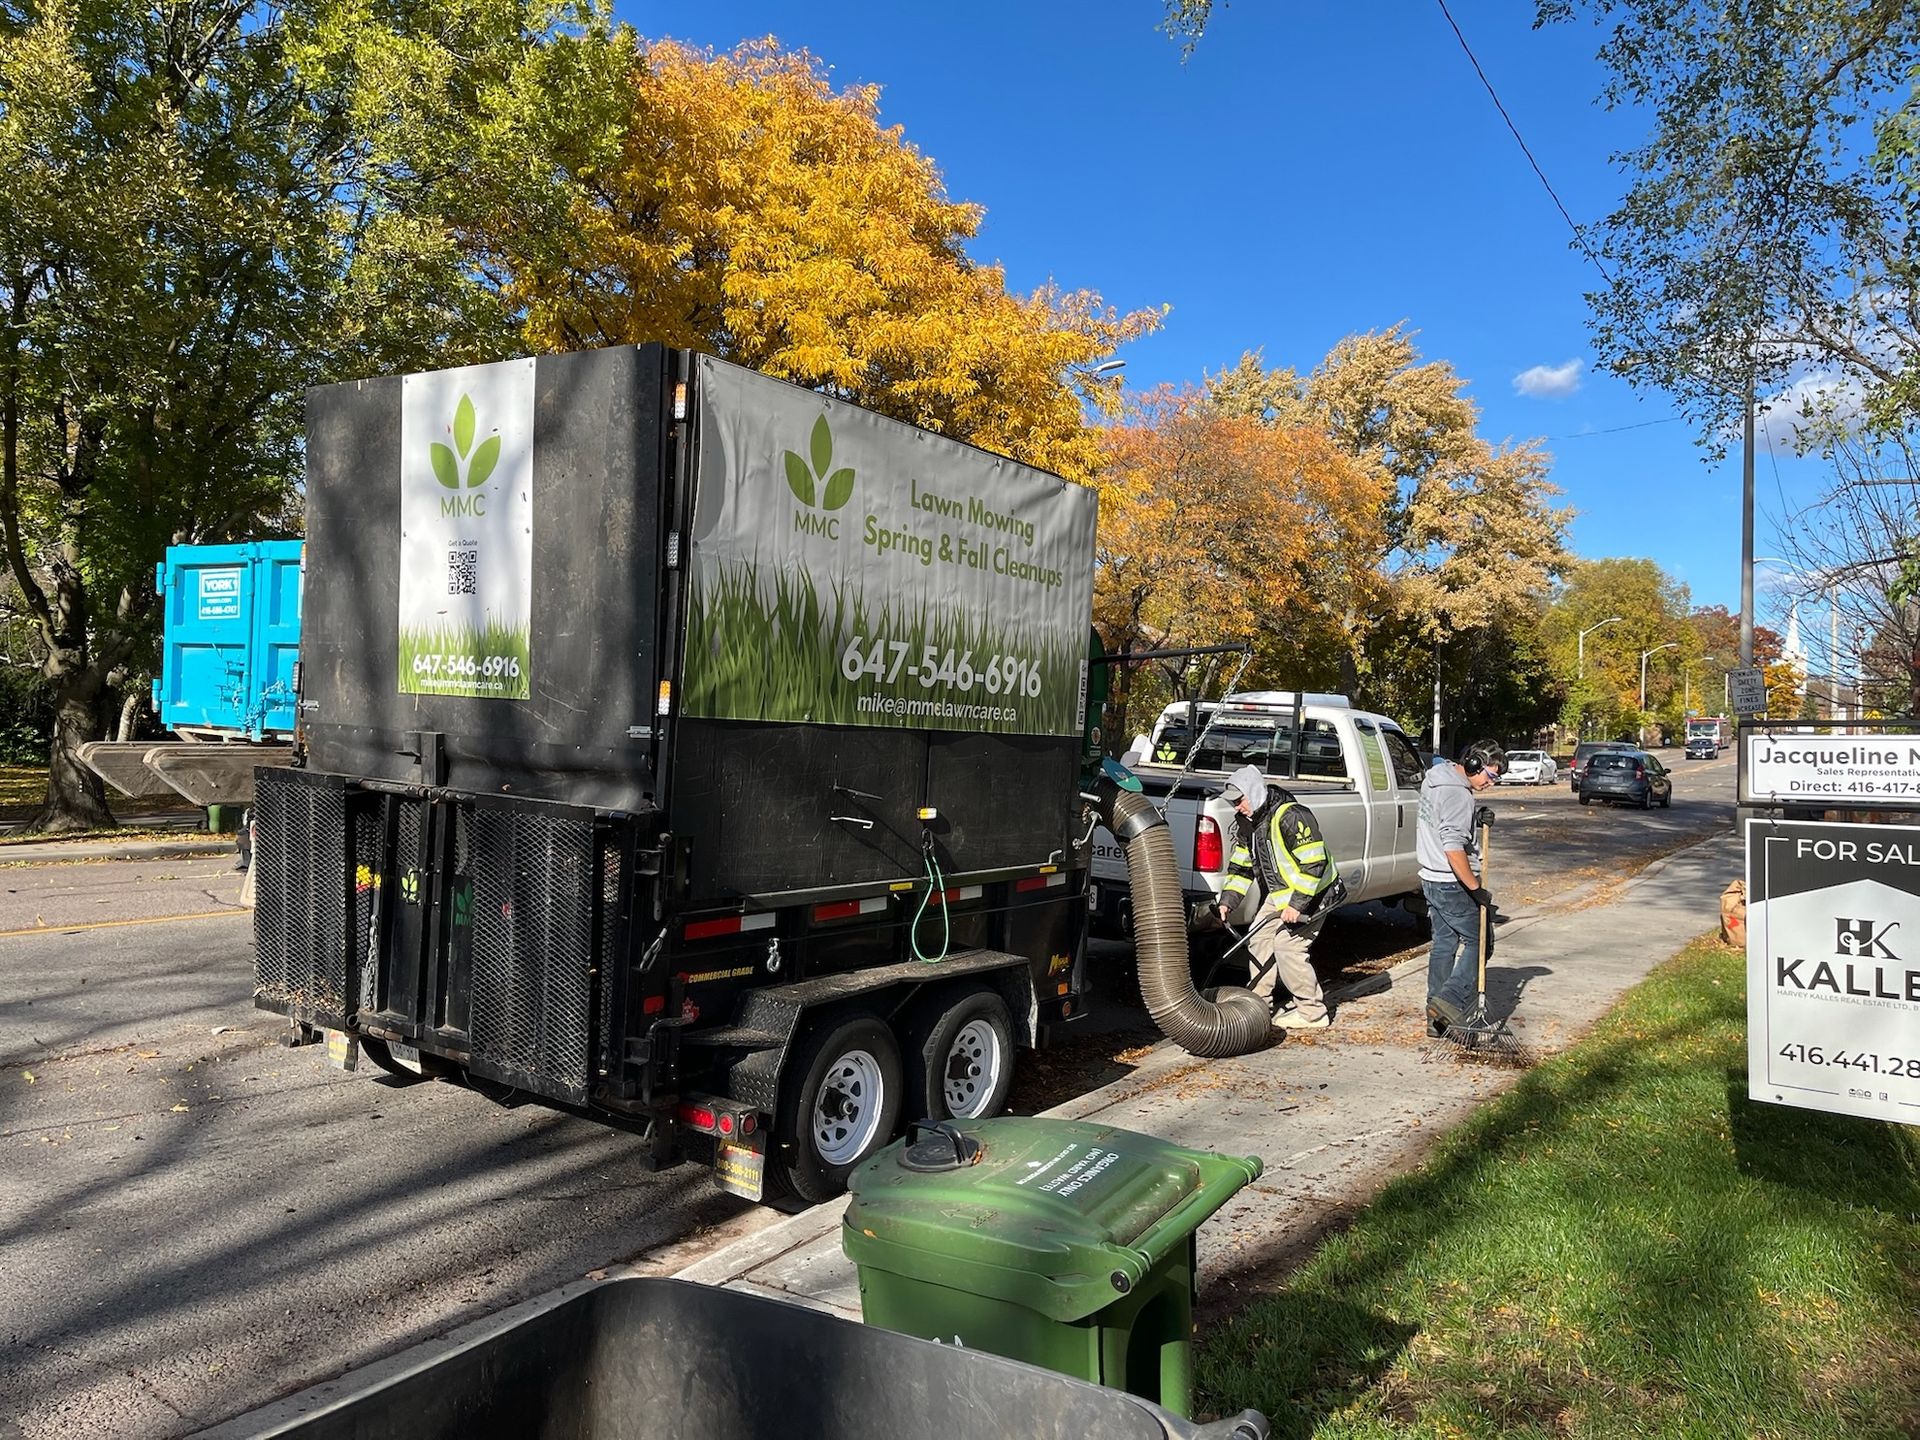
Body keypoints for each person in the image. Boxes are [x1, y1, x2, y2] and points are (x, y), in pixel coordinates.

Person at [1214, 763, 1341, 1030]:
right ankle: (1258, 1007)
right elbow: (1241, 867)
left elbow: (1314, 863)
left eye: (1240, 800)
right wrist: (1227, 901)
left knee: (1288, 946)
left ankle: (1313, 1013)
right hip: (1282, 894)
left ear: (1255, 792)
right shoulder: (1247, 823)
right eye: (1233, 802)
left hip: (1315, 893)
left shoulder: (1291, 815)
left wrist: (1297, 905)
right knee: (1258, 939)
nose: (1237, 807)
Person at [1417, 739, 1506, 1036]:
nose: (1491, 783)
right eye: (1490, 776)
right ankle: (1449, 1002)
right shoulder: (1459, 795)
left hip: (1430, 877)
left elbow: (1445, 823)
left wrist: (1475, 819)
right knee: (1481, 942)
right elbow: (1453, 846)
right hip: (1452, 883)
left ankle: (1436, 1019)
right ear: (1473, 764)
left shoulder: (1437, 778)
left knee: (1444, 943)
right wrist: (1475, 887)